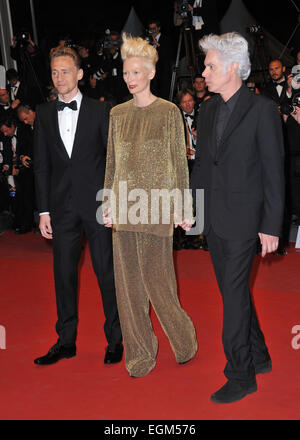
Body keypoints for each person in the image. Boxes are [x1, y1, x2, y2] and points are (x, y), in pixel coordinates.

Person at [190, 32, 285, 403]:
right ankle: (259, 356)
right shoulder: (208, 108)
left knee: (231, 297)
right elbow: (202, 169)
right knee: (235, 293)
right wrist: (194, 213)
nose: (204, 72)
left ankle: (240, 373)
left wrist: (270, 225)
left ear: (232, 68)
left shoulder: (262, 110)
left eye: (210, 65)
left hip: (247, 220)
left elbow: (273, 171)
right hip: (214, 219)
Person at [103, 34, 197, 378]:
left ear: (151, 73)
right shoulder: (116, 114)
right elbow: (111, 164)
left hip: (156, 208)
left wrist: (182, 208)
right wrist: (107, 203)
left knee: (160, 286)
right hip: (124, 209)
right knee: (128, 293)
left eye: (136, 73)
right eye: (126, 73)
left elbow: (178, 163)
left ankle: (185, 341)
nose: (130, 79)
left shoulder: (169, 112)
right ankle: (141, 354)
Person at [33, 46, 122, 366]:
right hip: (61, 209)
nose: (59, 78)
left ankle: (115, 338)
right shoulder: (43, 114)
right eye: (54, 72)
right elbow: (41, 165)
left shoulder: (101, 111)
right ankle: (65, 341)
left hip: (99, 207)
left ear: (80, 74)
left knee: (106, 274)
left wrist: (113, 199)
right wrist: (43, 210)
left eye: (65, 71)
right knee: (63, 276)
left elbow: (114, 162)